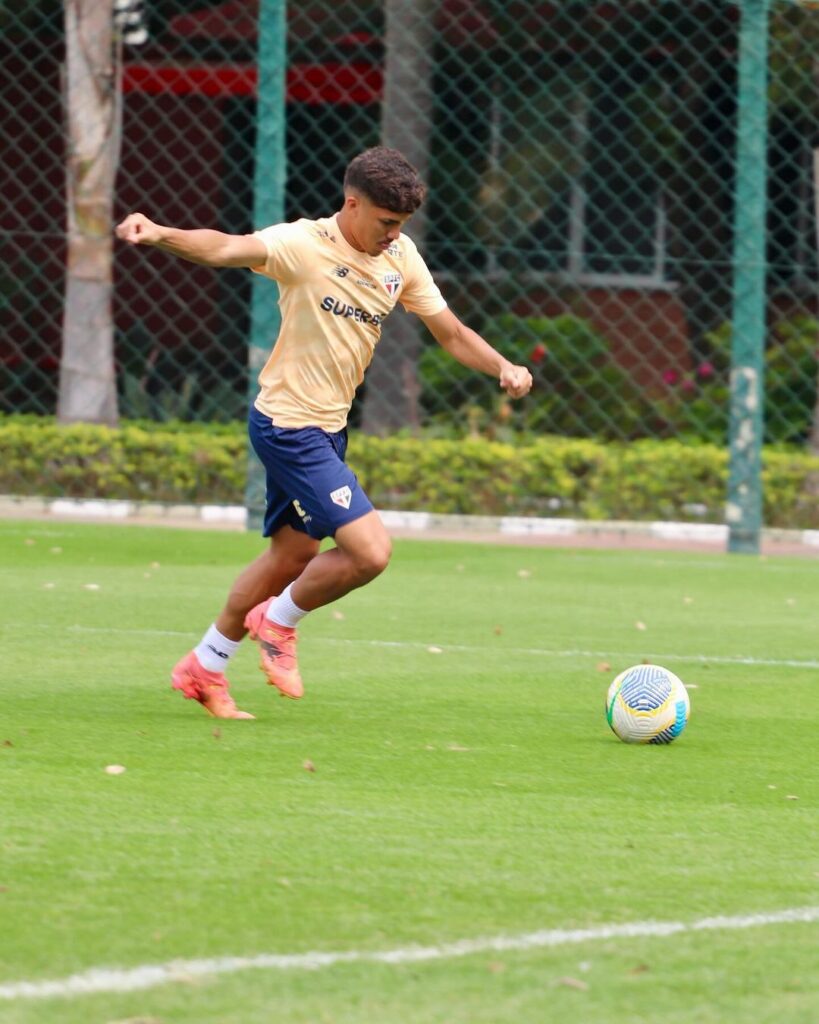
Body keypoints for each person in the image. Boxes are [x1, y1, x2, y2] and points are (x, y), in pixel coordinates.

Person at [116, 146, 533, 719]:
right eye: (386, 222)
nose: (394, 235)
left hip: (327, 430)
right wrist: (160, 232)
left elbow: (452, 332)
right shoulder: (302, 246)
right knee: (370, 552)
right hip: (290, 427)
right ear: (352, 203)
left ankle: (204, 667)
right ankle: (278, 622)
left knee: (290, 558)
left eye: (402, 225)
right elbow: (227, 247)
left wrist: (503, 367)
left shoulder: (401, 259)